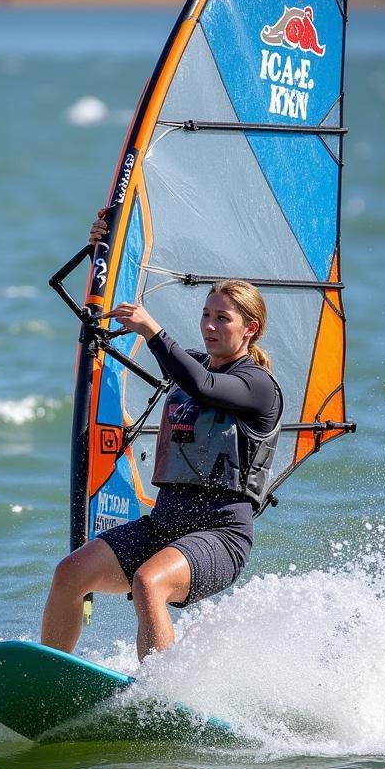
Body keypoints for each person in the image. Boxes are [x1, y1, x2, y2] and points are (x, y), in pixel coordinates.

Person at [41, 211, 283, 663]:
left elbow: (203, 386)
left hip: (220, 533)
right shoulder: (189, 366)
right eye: (206, 315)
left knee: (148, 581)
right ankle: (44, 675)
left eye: (223, 319)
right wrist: (103, 253)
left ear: (250, 329)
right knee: (71, 572)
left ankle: (159, 699)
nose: (210, 325)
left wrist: (153, 329)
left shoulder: (258, 386)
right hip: (164, 523)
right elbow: (178, 365)